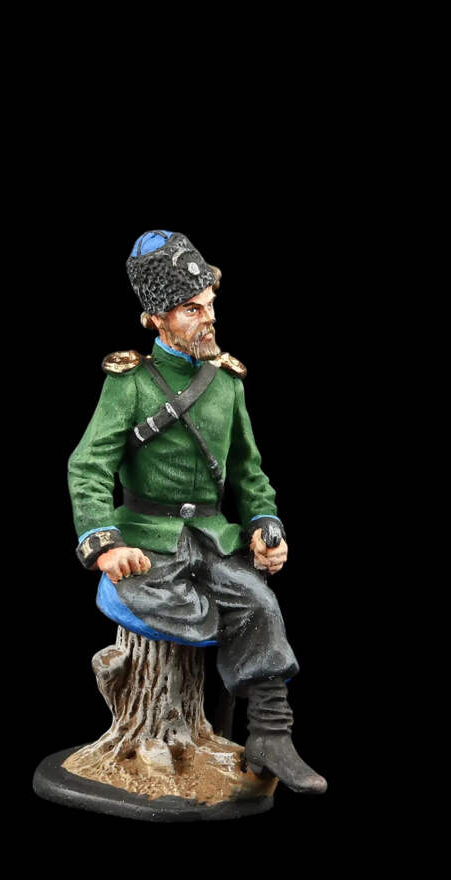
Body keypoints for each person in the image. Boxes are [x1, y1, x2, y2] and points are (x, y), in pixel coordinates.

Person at [67, 230, 326, 794]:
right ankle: (152, 731)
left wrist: (265, 525)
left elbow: (250, 472)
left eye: (209, 305)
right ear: (157, 319)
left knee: (259, 601)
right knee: (165, 606)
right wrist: (105, 544)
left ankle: (271, 734)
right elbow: (87, 467)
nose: (209, 318)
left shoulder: (227, 384)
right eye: (192, 309)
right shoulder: (130, 384)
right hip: (147, 540)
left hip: (211, 537)